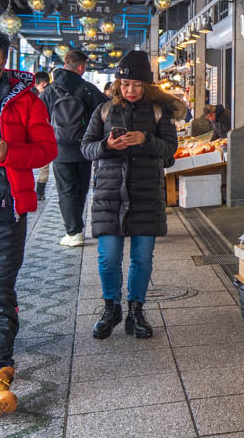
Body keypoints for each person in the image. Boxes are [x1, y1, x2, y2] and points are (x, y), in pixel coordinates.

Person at [81, 50, 179, 341]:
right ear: (117, 84)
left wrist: (146, 140)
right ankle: (111, 308)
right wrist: (107, 146)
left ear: (146, 85)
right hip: (109, 195)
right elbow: (86, 148)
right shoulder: (103, 111)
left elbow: (170, 151)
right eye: (125, 84)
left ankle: (136, 311)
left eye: (137, 84)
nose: (131, 90)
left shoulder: (160, 112)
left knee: (142, 259)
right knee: (107, 257)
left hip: (146, 195)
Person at [0, 34, 58, 417]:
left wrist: (10, 151)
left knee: (0, 287)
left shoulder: (26, 100)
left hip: (7, 209)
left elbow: (48, 149)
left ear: (3, 62)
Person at [43, 50, 107, 247]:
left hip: (60, 149)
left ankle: (74, 232)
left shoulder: (49, 91)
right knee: (80, 189)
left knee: (66, 190)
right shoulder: (88, 89)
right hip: (84, 148)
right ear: (81, 67)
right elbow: (105, 113)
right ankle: (76, 228)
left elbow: (40, 119)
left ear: (65, 64)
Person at [31, 72, 50, 199]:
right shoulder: (46, 95)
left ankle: (39, 191)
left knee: (44, 162)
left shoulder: (28, 94)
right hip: (38, 132)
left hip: (40, 133)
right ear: (44, 83)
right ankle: (38, 191)